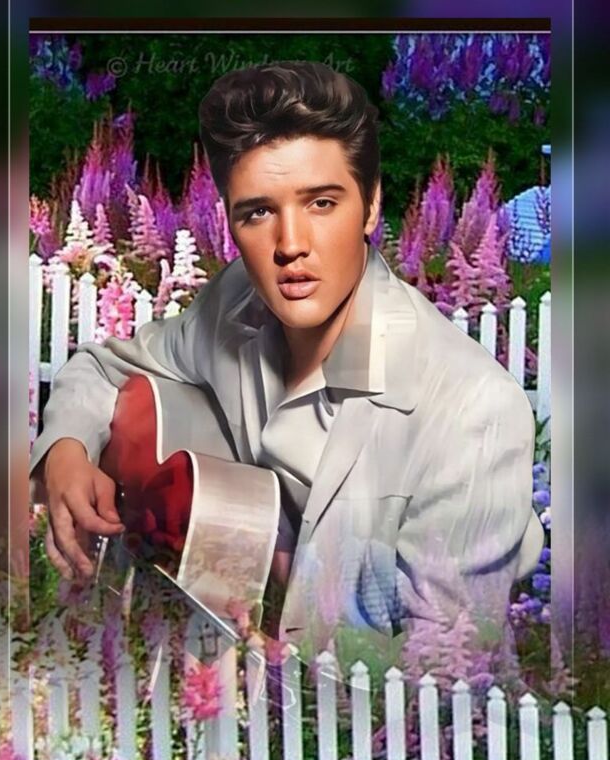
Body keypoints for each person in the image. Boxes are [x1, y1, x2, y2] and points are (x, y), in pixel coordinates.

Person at [30, 60, 543, 668]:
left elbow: (441, 664)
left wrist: (281, 650)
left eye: (321, 203)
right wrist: (66, 449)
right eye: (258, 212)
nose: (291, 245)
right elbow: (103, 368)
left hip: (354, 709)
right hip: (210, 670)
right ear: (229, 222)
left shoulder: (473, 410)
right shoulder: (236, 303)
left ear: (371, 206)